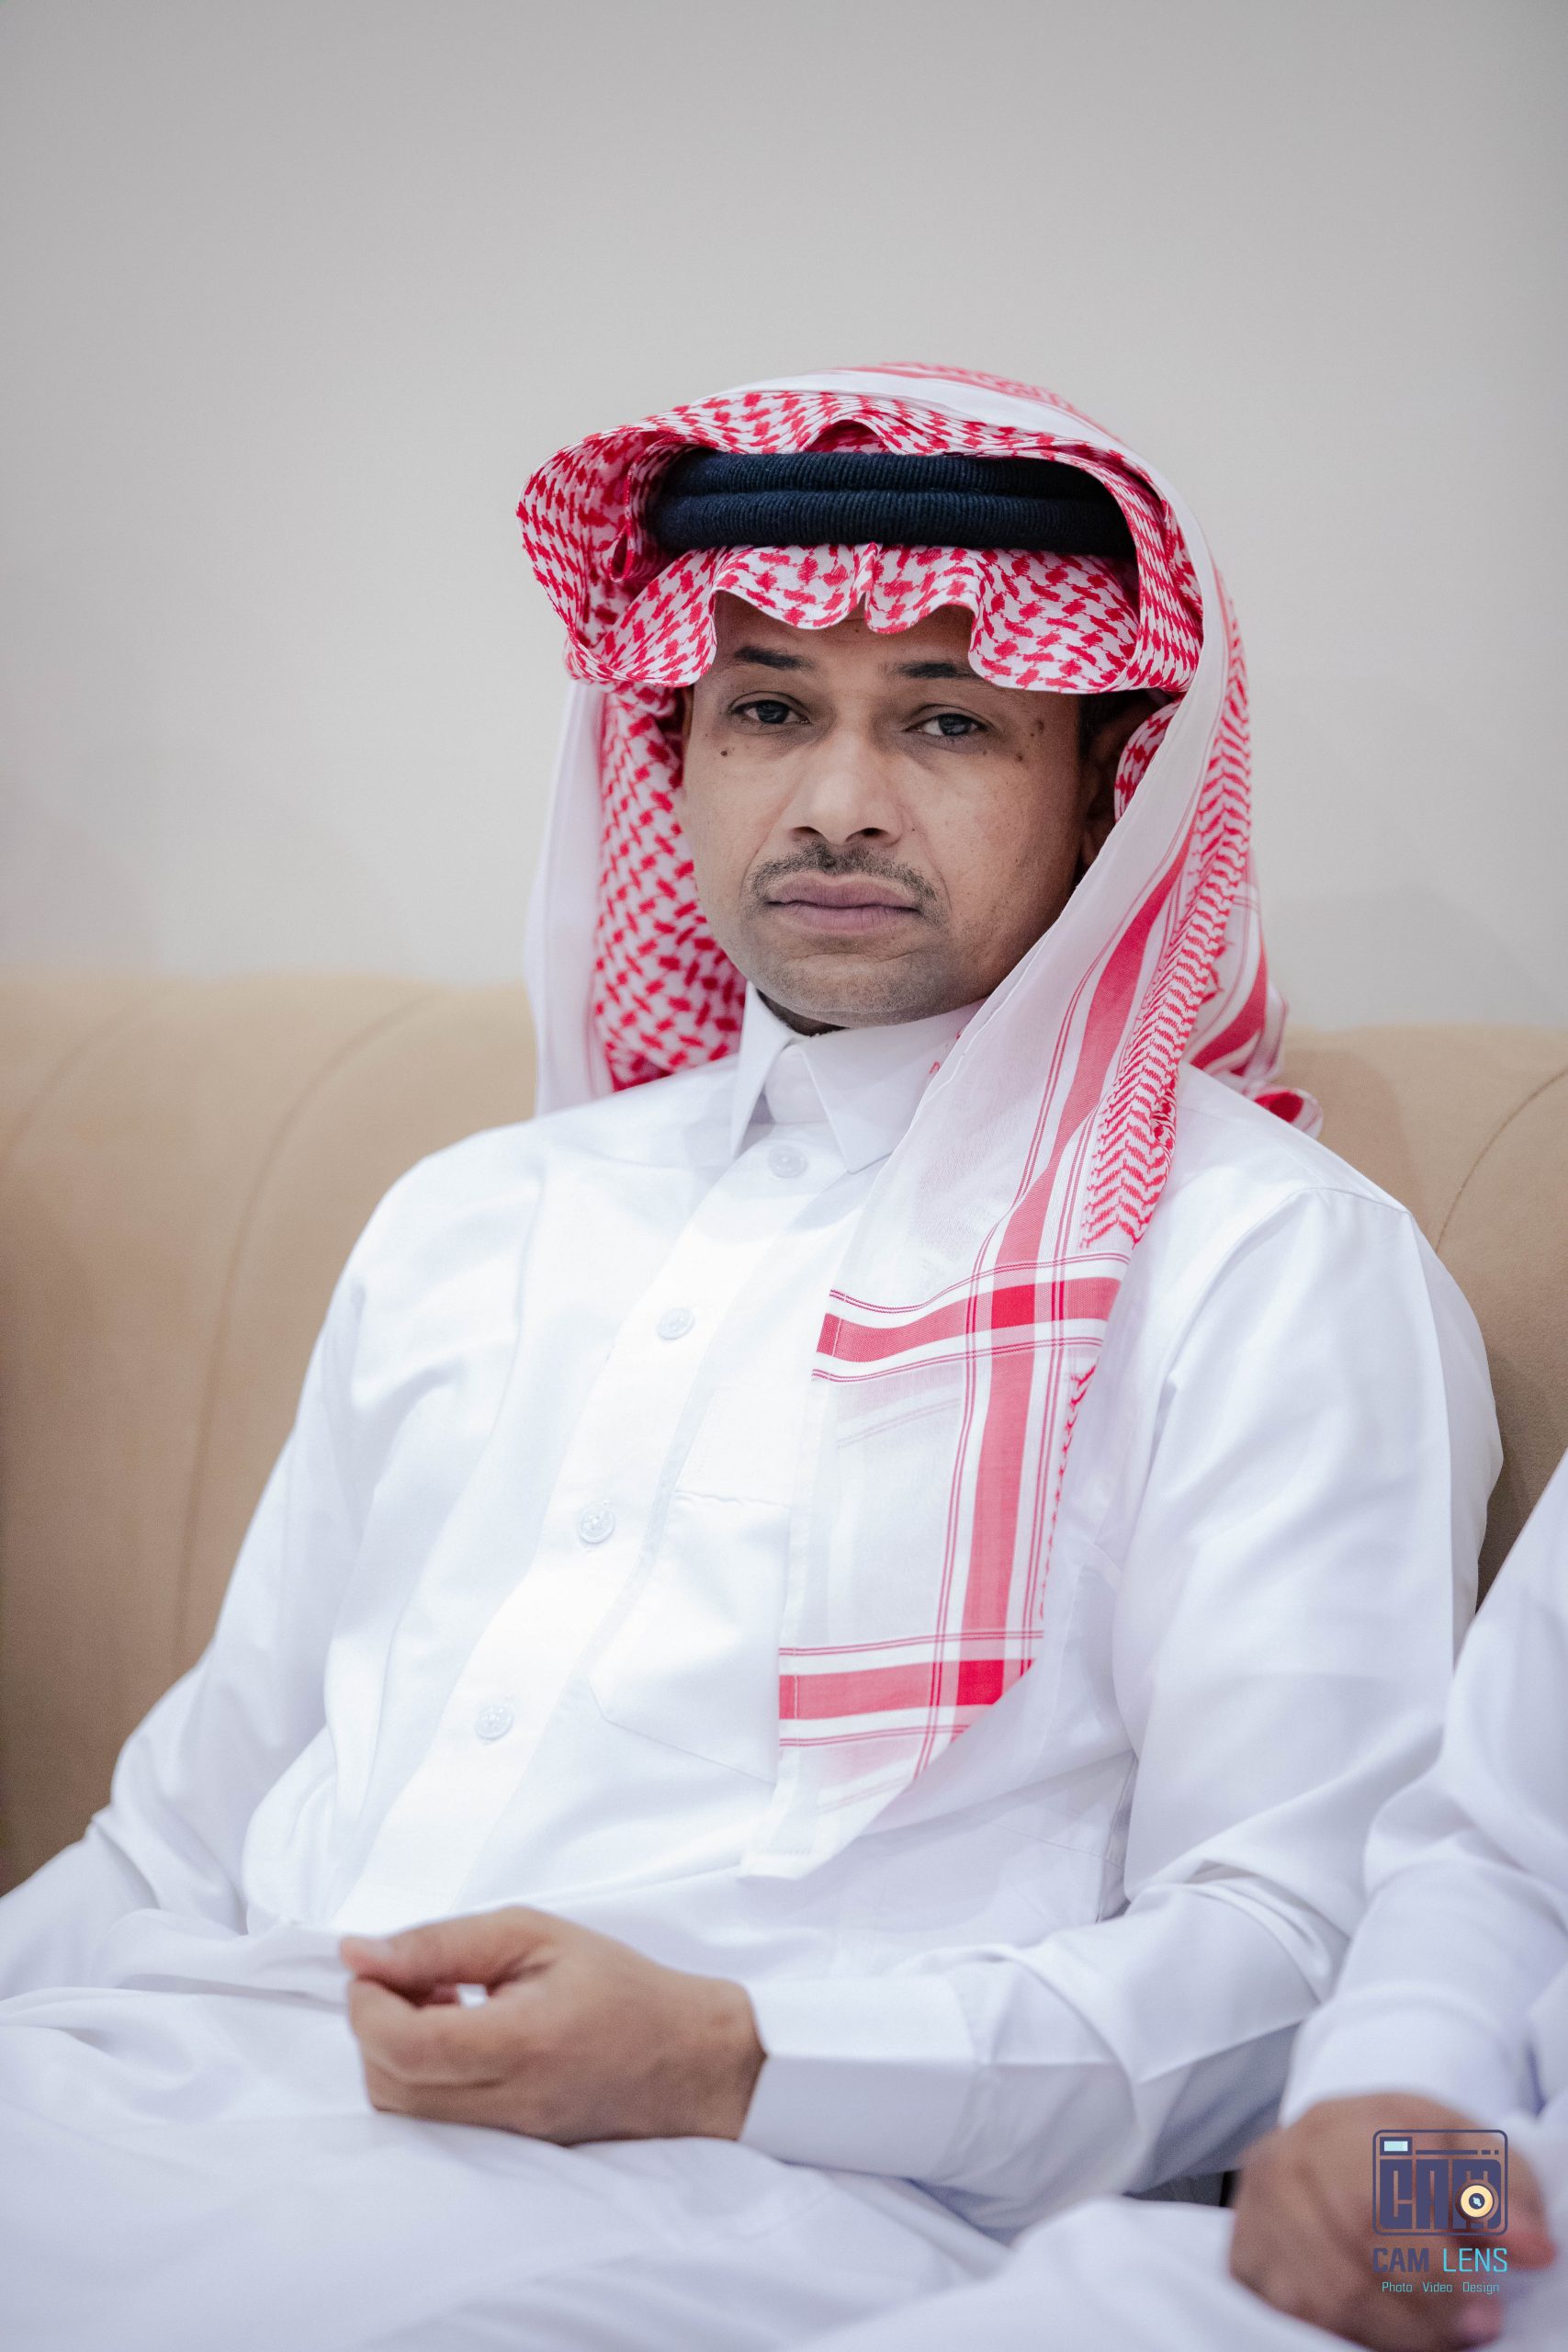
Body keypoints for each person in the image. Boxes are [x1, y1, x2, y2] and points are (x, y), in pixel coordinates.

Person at [0, 368, 1498, 2352]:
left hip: (756, 2206)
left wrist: (734, 2055)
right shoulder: (476, 1218)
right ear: (675, 749)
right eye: (768, 708)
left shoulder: (1259, 1267)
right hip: (171, 2088)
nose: (835, 801)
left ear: (1101, 785)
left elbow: (1286, 1954)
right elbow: (172, 1847)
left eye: (947, 719)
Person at [801, 1453, 1568, 2352]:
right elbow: (1505, 1854)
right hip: (1465, 2257)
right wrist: (1390, 2119)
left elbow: (1279, 1926)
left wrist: (731, 2056)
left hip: (873, 2178)